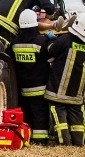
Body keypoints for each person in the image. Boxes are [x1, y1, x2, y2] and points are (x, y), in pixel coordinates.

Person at [44, 12, 85, 147]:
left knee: (60, 120)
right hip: (76, 93)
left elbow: (50, 52)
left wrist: (50, 39)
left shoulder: (65, 39)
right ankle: (79, 141)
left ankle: (64, 144)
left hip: (58, 91)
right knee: (77, 118)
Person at [10, 9, 54, 145]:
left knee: (27, 115)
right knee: (40, 116)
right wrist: (51, 40)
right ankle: (40, 141)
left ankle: (26, 138)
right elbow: (51, 59)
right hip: (40, 89)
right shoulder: (41, 42)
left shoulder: (14, 43)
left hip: (23, 89)